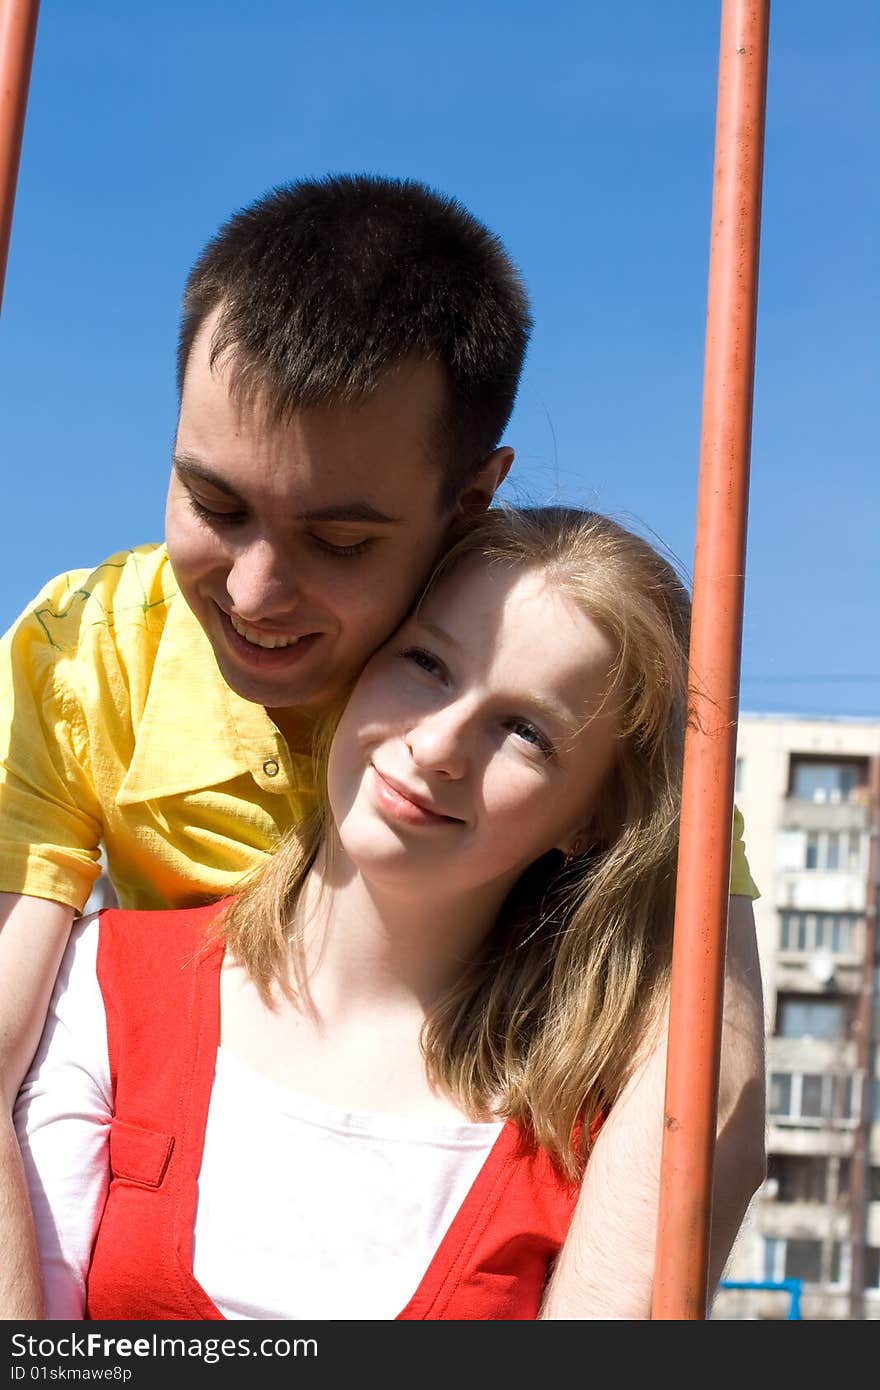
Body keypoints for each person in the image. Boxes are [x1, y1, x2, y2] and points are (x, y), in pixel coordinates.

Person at [0, 174, 764, 1319]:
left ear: (468, 506)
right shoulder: (87, 653)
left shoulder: (545, 646)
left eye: (339, 541)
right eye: (214, 503)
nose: (254, 592)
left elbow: (710, 1082)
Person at [15, 505, 763, 1320]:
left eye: (524, 731)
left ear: (591, 819)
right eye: (427, 664)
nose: (438, 745)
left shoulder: (588, 1134)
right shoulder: (106, 985)